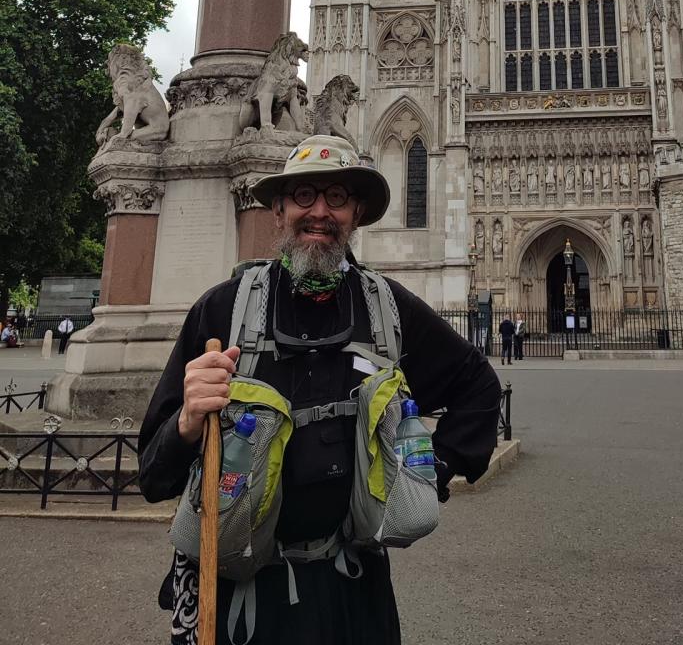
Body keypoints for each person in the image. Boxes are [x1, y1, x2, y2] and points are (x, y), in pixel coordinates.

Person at [139, 135, 501, 645]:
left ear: (355, 213)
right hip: (241, 596)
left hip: (351, 592)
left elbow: (479, 388)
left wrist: (426, 473)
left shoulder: (386, 309)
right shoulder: (223, 310)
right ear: (280, 209)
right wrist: (185, 425)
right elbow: (152, 477)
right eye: (305, 195)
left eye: (336, 197)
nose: (320, 213)